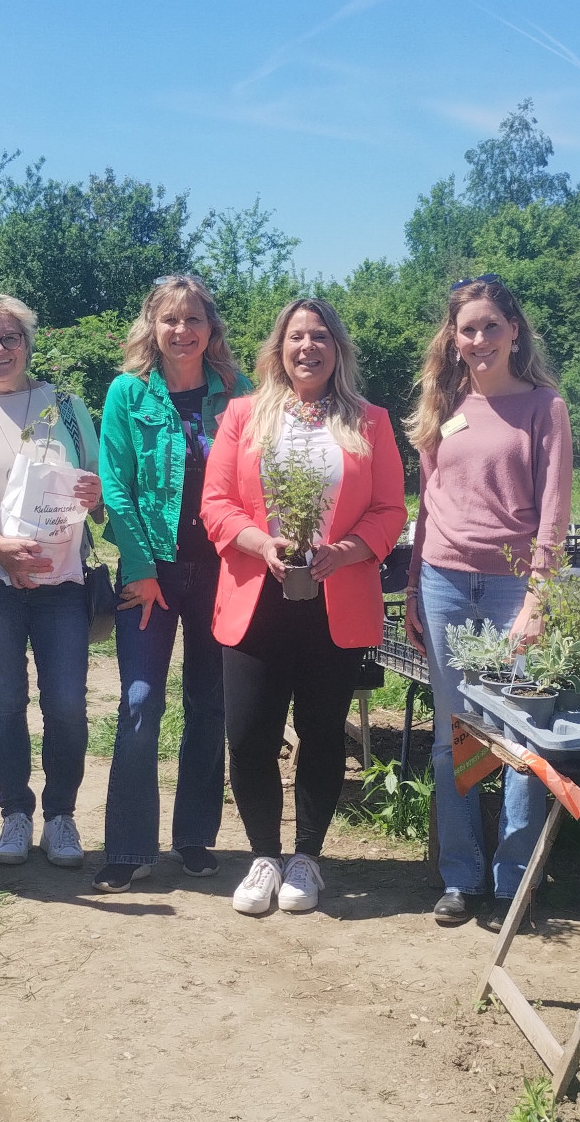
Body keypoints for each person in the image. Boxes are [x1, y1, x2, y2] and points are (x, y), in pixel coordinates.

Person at [202, 298, 407, 915]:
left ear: (336, 349)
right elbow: (216, 502)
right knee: (248, 734)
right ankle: (263, 855)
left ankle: (307, 859)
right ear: (279, 348)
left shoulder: (370, 421)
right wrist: (262, 543)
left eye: (319, 337)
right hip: (256, 599)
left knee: (322, 736)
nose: (307, 348)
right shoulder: (243, 416)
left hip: (334, 600)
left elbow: (391, 510)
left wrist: (346, 551)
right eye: (296, 337)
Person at [403, 275, 573, 928]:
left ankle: (514, 881)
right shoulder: (442, 406)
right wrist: (416, 587)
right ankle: (461, 875)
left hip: (510, 589)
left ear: (513, 331)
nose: (478, 340)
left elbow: (554, 514)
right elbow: (428, 506)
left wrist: (537, 598)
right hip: (444, 581)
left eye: (490, 328)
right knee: (455, 737)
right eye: (466, 329)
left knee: (518, 736)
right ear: (454, 337)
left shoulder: (543, 407)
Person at [94, 275, 252, 892]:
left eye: (194, 320)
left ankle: (193, 837)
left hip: (222, 572)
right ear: (151, 328)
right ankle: (129, 846)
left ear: (211, 328)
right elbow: (116, 485)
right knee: (139, 703)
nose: (182, 331)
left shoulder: (240, 398)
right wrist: (141, 569)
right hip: (148, 575)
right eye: (170, 320)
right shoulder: (127, 395)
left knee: (209, 704)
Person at [0, 295, 103, 868]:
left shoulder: (66, 405)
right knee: (5, 700)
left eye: (11, 338)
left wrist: (95, 495)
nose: (0, 349)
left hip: (62, 581)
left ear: (28, 345)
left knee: (66, 703)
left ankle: (61, 816)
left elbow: (98, 485)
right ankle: (14, 812)